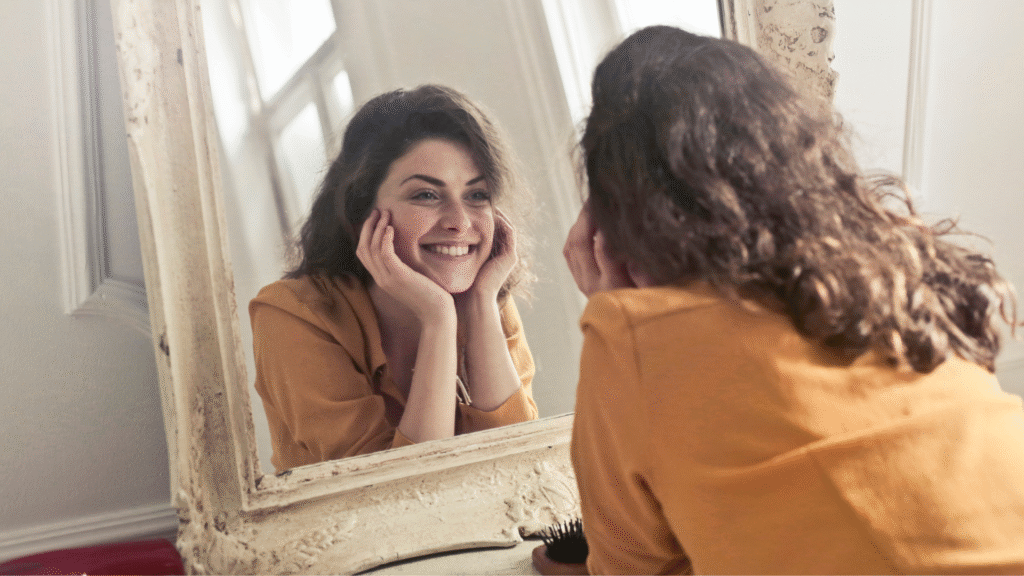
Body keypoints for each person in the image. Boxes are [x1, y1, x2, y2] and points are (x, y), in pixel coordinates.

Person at [562, 26, 1024, 574]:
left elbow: (633, 570)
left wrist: (616, 311)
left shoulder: (634, 338)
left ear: (611, 230)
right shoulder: (896, 267)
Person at [250, 85, 538, 472]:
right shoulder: (291, 314)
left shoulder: (485, 299)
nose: (459, 222)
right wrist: (438, 319)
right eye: (426, 195)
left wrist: (482, 306)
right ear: (361, 212)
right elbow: (395, 490)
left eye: (477, 195)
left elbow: (520, 468)